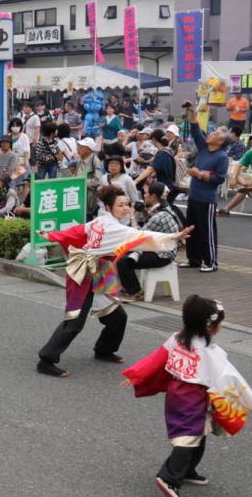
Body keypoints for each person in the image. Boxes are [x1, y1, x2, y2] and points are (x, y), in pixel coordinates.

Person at [34, 186, 191, 378]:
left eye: (127, 204)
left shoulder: (100, 221)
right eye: (120, 205)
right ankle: (46, 359)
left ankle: (104, 350)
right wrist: (172, 237)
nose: (125, 208)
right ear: (109, 206)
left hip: (101, 270)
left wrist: (54, 235)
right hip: (84, 273)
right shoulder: (113, 227)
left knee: (117, 316)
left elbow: (77, 232)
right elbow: (140, 237)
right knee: (75, 320)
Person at [122, 296, 251, 497]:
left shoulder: (177, 338)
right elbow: (231, 380)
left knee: (199, 433)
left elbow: (158, 358)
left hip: (176, 393)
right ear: (210, 327)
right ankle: (169, 478)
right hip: (193, 398)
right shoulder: (211, 353)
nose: (221, 326)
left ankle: (187, 470)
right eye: (219, 323)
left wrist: (138, 374)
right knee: (188, 438)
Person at [180, 103, 230, 273]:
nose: (211, 134)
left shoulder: (222, 156)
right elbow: (195, 130)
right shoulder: (204, 147)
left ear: (221, 141)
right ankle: (193, 259)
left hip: (207, 200)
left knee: (207, 231)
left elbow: (219, 178)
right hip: (194, 196)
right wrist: (192, 112)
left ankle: (211, 262)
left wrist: (200, 174)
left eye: (215, 133)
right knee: (191, 229)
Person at [114, 181, 184, 298]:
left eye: (146, 193)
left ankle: (135, 292)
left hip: (162, 255)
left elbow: (138, 235)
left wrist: (132, 215)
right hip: (160, 248)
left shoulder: (159, 216)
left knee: (123, 260)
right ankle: (129, 287)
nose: (144, 196)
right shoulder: (163, 208)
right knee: (122, 252)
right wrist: (143, 211)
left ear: (154, 197)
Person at [219, 145, 252, 216]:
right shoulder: (250, 153)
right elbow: (238, 166)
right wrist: (235, 179)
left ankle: (248, 186)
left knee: (244, 188)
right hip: (249, 182)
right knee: (236, 175)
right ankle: (226, 209)